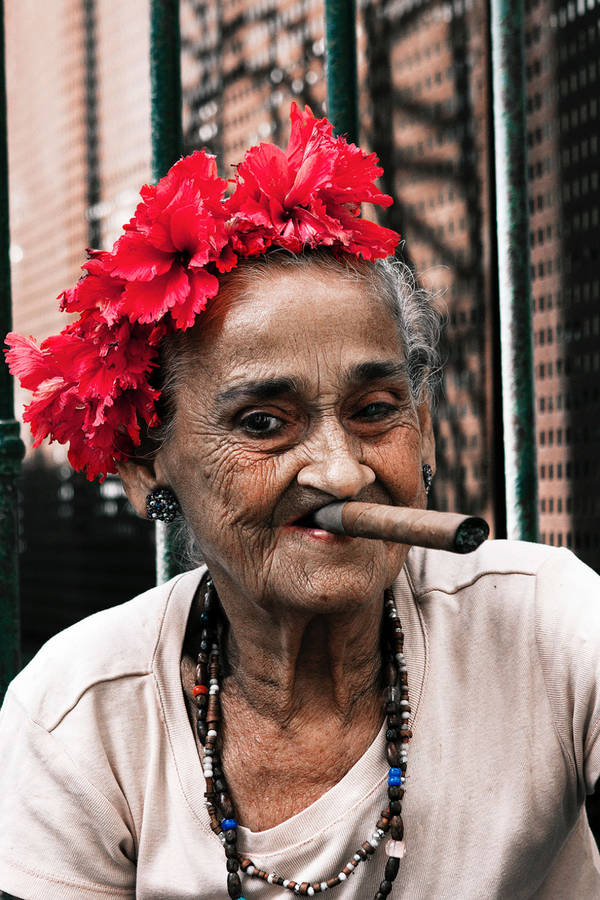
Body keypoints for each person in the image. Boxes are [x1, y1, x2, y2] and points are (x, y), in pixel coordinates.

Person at [1, 104, 599, 900]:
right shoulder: (80, 714)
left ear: (420, 428)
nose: (343, 473)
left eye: (376, 411)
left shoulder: (550, 626)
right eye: (263, 424)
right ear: (150, 469)